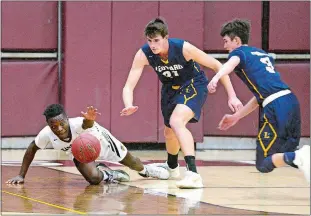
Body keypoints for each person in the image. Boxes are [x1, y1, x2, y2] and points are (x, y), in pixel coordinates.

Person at [121, 17, 243, 188]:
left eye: (156, 40)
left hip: (193, 84)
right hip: (170, 89)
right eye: (150, 41)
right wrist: (128, 104)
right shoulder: (143, 54)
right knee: (169, 132)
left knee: (176, 121)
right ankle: (172, 168)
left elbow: (216, 65)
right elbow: (128, 85)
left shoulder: (182, 48)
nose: (153, 45)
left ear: (166, 37)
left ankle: (193, 174)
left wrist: (232, 95)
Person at [207, 19, 310, 183]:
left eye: (226, 41)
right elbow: (259, 98)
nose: (225, 46)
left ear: (237, 41)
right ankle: (303, 155)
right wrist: (236, 117)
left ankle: (303, 154)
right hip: (290, 101)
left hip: (275, 107)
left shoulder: (238, 53)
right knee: (289, 155)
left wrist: (217, 77)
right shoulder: (261, 54)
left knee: (263, 164)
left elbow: (229, 65)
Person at [6, 104, 170, 185]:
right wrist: (21, 175)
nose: (59, 128)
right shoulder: (46, 134)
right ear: (49, 125)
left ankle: (146, 171)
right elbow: (31, 150)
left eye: (61, 123)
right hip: (83, 152)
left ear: (66, 118)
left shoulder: (78, 124)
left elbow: (87, 124)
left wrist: (90, 119)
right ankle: (109, 174)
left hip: (103, 143)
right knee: (93, 180)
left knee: (133, 163)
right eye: (54, 126)